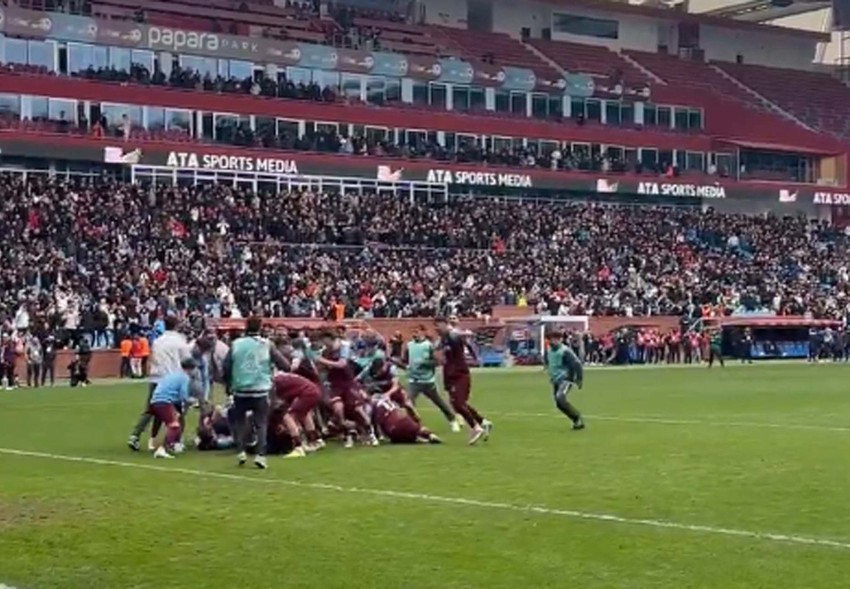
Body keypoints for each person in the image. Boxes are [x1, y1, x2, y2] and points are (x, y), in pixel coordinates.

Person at [222, 316, 289, 469]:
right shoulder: (266, 344)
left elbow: (226, 367)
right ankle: (260, 455)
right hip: (261, 389)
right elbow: (285, 365)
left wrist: (229, 384)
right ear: (261, 327)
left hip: (240, 389)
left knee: (239, 421)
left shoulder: (236, 344)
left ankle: (240, 451)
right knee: (261, 423)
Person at [128, 316, 193, 452]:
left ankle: (135, 435)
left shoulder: (158, 341)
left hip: (156, 377)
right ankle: (175, 441)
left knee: (151, 409)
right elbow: (187, 360)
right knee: (178, 411)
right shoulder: (180, 341)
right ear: (176, 325)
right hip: (172, 378)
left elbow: (153, 358)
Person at [434, 317, 492, 445]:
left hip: (459, 374)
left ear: (445, 324)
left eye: (438, 326)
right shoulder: (443, 339)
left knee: (458, 403)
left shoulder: (453, 335)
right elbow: (436, 349)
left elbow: (462, 335)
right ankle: (483, 422)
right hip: (449, 374)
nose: (436, 329)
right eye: (435, 326)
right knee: (458, 404)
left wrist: (465, 333)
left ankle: (475, 428)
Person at [402, 325, 459, 431]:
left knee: (438, 401)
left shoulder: (428, 346)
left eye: (417, 331)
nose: (415, 334)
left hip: (427, 381)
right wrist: (405, 366)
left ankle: (452, 420)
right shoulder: (409, 345)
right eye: (413, 331)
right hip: (414, 380)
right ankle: (412, 425)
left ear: (423, 332)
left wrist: (424, 363)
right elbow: (405, 361)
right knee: (408, 402)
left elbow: (437, 362)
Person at [148, 357, 199, 459]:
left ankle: (154, 442)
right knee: (174, 425)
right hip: (164, 401)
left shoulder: (172, 374)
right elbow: (183, 396)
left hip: (155, 400)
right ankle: (163, 449)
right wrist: (192, 401)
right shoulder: (184, 377)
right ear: (190, 369)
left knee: (163, 420)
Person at [270, 372, 323, 458]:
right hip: (314, 390)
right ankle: (314, 441)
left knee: (288, 416)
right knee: (305, 414)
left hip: (308, 392)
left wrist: (282, 424)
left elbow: (276, 403)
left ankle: (298, 447)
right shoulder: (282, 377)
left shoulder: (275, 381)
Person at [545, 332, 585, 430]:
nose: (551, 341)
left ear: (560, 340)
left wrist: (579, 378)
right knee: (559, 404)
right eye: (549, 339)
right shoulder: (549, 350)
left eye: (553, 339)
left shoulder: (565, 351)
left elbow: (577, 364)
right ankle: (576, 421)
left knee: (560, 398)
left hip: (566, 379)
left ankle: (577, 417)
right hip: (555, 380)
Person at [372, 394, 441, 445]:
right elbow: (408, 406)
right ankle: (430, 435)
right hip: (404, 419)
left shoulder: (375, 406)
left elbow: (377, 423)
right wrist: (417, 420)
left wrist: (380, 436)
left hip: (393, 429)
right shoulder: (389, 400)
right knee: (418, 429)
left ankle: (418, 439)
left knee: (396, 438)